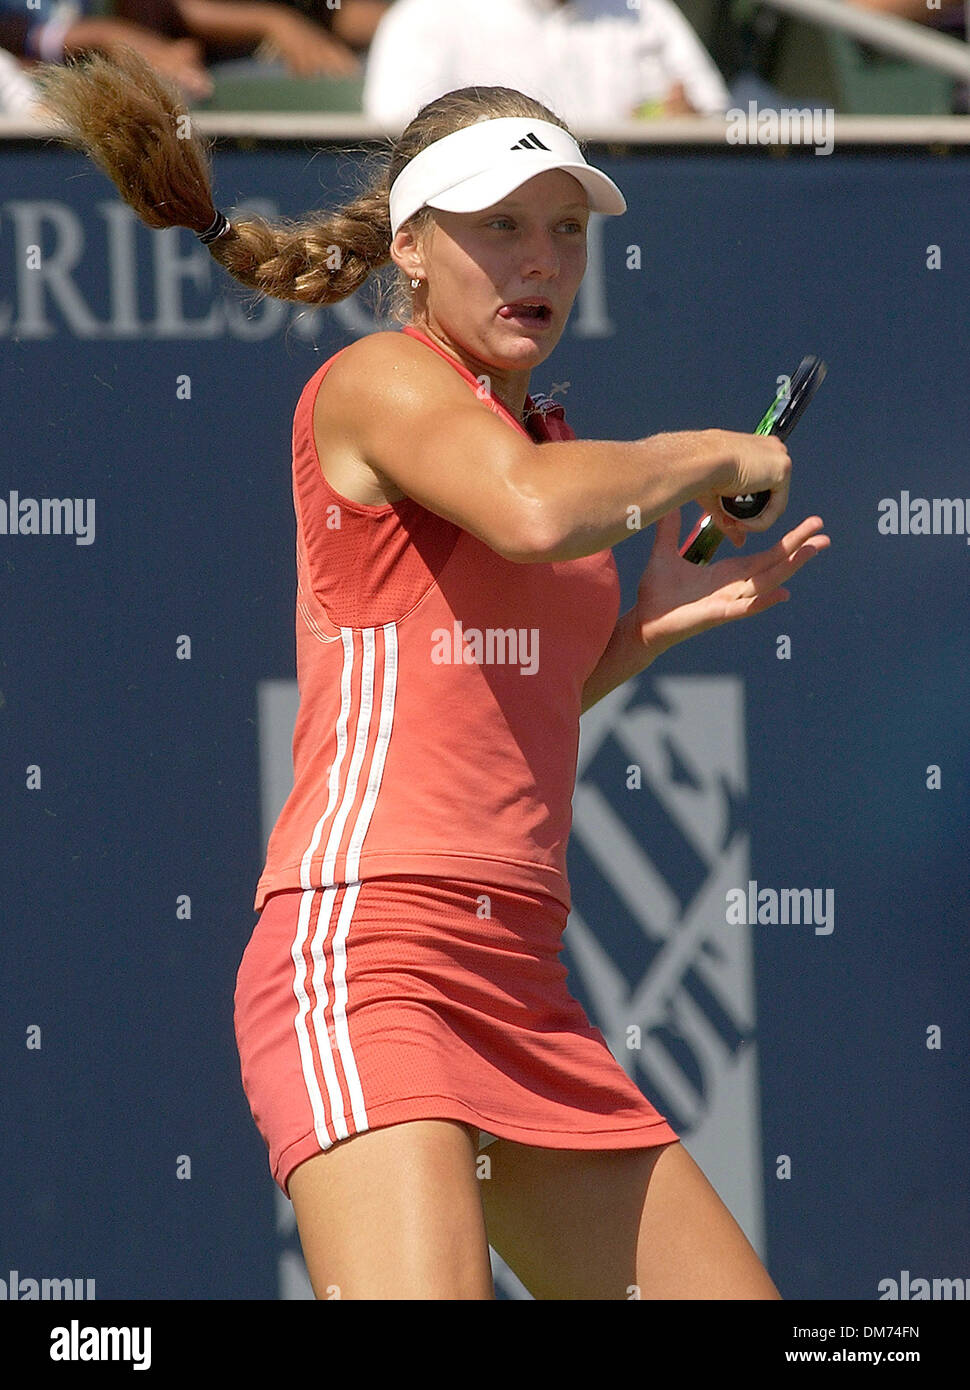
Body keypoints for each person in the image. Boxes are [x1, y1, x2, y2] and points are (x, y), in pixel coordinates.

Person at [34, 47, 829, 1299]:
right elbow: (524, 512)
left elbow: (498, 702)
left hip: (519, 973)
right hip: (370, 960)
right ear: (409, 248)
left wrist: (644, 631)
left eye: (564, 229)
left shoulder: (547, 439)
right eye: (500, 225)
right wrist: (712, 448)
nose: (540, 259)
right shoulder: (380, 381)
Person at [362, 0, 732, 129]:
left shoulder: (645, 10)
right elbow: (400, 144)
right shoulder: (423, 17)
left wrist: (686, 123)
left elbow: (713, 118)